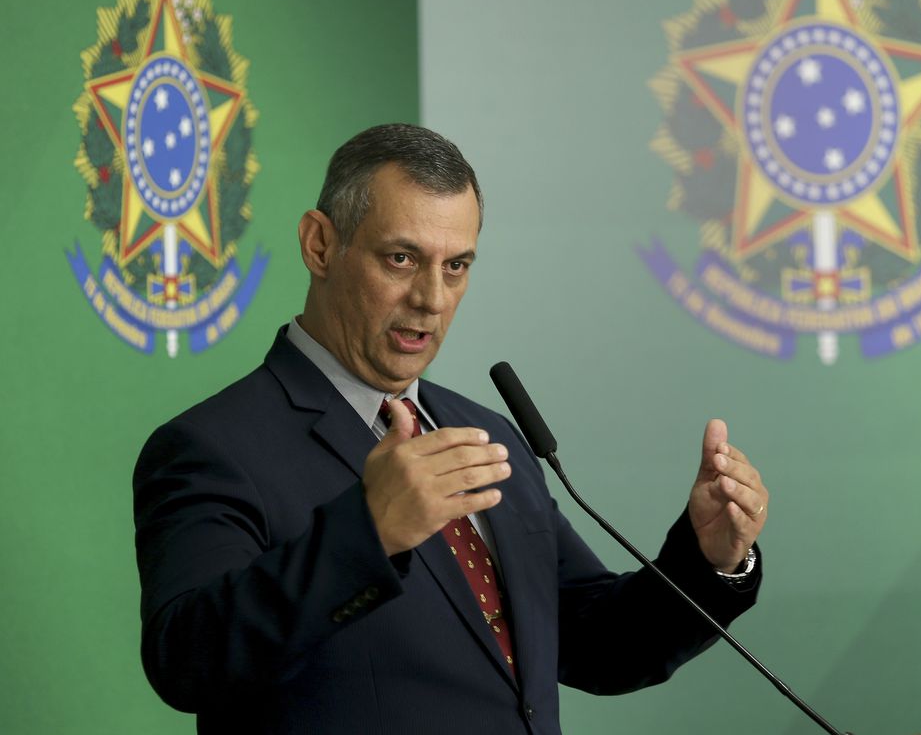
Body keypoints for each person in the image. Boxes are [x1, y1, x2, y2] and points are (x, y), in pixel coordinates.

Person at [134, 123, 769, 734]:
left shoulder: (485, 434)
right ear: (320, 245)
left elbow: (596, 642)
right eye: (402, 258)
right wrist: (370, 531)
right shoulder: (213, 448)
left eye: (457, 266)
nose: (432, 299)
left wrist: (708, 559)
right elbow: (188, 661)